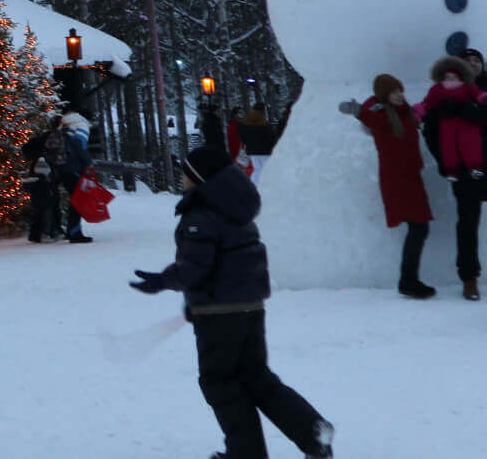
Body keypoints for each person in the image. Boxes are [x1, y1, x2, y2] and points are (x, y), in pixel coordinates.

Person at [130, 147, 334, 459]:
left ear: (200, 177)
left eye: (186, 172)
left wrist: (163, 281)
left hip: (219, 314)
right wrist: (195, 302)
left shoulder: (201, 215)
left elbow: (194, 270)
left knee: (220, 382)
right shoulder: (235, 210)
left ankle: (246, 453)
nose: (183, 178)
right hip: (249, 308)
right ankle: (311, 431)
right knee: (255, 377)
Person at [337, 74, 435, 297]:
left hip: (411, 178)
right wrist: (358, 110)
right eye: (393, 92)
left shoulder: (406, 113)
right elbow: (368, 118)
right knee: (419, 227)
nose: (399, 95)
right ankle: (408, 280)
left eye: (400, 90)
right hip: (398, 179)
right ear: (384, 96)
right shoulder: (382, 116)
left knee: (419, 228)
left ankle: (409, 279)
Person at [420, 55, 487, 300]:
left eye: (477, 60)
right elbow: (431, 129)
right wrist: (445, 161)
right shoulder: (440, 94)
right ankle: (469, 278)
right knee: (467, 224)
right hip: (466, 171)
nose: (473, 64)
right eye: (467, 60)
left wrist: (466, 110)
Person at [58, 112, 95, 244]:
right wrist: (88, 163)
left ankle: (70, 231)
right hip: (73, 168)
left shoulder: (63, 128)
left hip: (61, 168)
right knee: (78, 200)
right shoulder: (80, 126)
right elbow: (80, 147)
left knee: (74, 199)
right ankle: (74, 233)